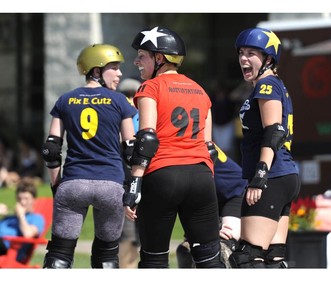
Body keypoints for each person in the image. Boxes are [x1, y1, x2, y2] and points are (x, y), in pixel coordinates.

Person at [123, 26, 224, 268]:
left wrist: (134, 184)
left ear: (159, 58)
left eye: (142, 55)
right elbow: (209, 147)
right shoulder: (200, 90)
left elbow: (147, 139)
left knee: (154, 260)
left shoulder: (150, 88)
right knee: (210, 260)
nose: (136, 61)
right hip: (201, 177)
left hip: (164, 175)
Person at [40, 43, 137, 269]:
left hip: (74, 183)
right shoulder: (120, 101)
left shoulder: (65, 100)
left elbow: (52, 149)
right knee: (107, 257)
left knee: (59, 254)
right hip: (110, 185)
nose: (120, 73)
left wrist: (57, 186)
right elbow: (131, 149)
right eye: (114, 67)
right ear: (96, 71)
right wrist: (133, 190)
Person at [228, 27, 300, 268]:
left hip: (272, 175)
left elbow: (273, 132)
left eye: (251, 53)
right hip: (284, 175)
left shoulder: (266, 85)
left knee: (248, 257)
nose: (243, 59)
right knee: (273, 258)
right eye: (241, 53)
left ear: (268, 59)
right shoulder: (275, 84)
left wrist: (259, 176)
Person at [176, 144, 246, 268]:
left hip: (234, 192)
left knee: (225, 246)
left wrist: (214, 227)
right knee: (187, 250)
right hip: (206, 195)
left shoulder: (192, 144)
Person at [117, 77, 141, 268]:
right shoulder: (119, 114)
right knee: (128, 235)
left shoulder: (146, 114)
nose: (130, 98)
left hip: (148, 178)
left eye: (134, 94)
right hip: (126, 179)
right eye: (126, 95)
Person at [0, 177, 45, 262]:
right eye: (20, 199)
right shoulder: (9, 218)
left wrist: (21, 215)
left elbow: (28, 234)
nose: (22, 202)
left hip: (9, 251)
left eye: (26, 199)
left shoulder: (36, 218)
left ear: (34, 200)